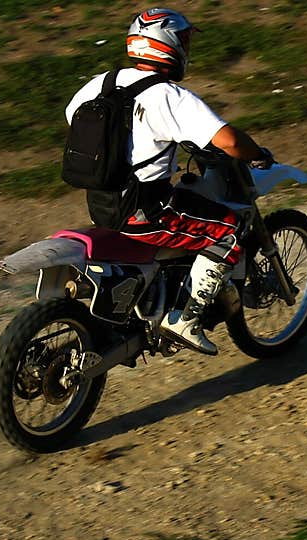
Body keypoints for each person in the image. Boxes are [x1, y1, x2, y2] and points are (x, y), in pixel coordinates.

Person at [65, 7, 275, 356]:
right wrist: (256, 153)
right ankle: (185, 319)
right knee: (231, 228)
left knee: (187, 206)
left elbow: (73, 117)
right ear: (167, 44)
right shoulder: (167, 96)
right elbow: (229, 142)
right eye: (184, 40)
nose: (187, 49)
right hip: (147, 210)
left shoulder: (102, 83)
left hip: (102, 203)